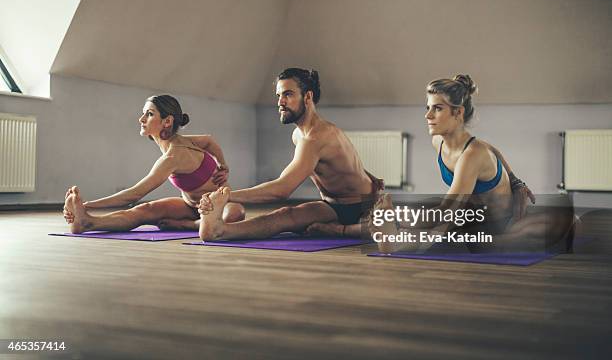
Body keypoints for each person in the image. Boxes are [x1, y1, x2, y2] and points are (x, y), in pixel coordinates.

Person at [371, 75, 574, 254]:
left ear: (458, 113)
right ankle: (393, 239)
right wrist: (515, 180)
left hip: (500, 224)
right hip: (473, 213)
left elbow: (448, 209)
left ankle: (396, 239)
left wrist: (396, 215)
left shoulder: (472, 155)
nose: (428, 116)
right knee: (442, 213)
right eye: (428, 108)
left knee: (458, 224)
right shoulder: (439, 142)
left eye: (437, 108)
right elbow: (491, 148)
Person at [197, 68, 383, 241]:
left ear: (308, 96)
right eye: (278, 96)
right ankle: (220, 230)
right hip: (331, 206)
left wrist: (226, 196)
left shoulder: (317, 137)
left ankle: (339, 230)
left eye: (288, 94)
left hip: (362, 208)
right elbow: (346, 164)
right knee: (285, 215)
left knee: (387, 231)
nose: (280, 102)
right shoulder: (298, 135)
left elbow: (281, 189)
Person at [62, 95, 245, 233]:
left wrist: (87, 204)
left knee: (235, 212)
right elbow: (209, 140)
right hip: (190, 206)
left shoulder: (173, 157)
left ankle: (192, 226)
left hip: (218, 208)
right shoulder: (184, 142)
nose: (141, 119)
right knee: (145, 209)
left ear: (167, 121)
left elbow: (133, 195)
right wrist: (223, 165)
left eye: (149, 114)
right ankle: (87, 222)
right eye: (143, 113)